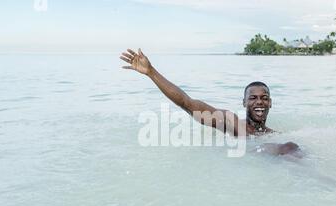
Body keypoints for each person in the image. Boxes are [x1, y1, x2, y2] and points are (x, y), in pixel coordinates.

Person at [120, 48, 300, 156]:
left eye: (264, 98)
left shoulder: (277, 135)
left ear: (270, 103)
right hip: (242, 159)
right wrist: (151, 72)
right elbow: (187, 103)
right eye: (253, 98)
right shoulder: (232, 122)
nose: (259, 102)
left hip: (268, 166)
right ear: (244, 103)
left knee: (292, 147)